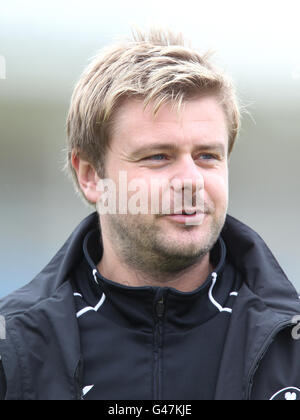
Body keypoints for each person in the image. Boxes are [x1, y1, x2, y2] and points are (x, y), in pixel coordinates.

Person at [0, 28, 300, 401]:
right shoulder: (12, 346)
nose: (191, 180)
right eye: (158, 157)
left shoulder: (291, 342)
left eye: (207, 156)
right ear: (91, 175)